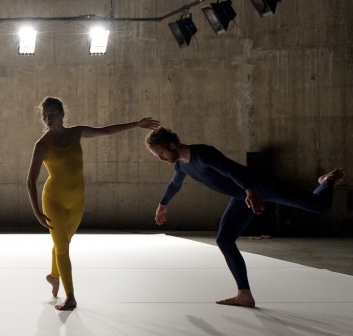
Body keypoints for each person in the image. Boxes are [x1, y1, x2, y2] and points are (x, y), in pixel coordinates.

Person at [145, 127, 344, 308]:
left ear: (171, 145)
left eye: (160, 153)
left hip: (259, 185)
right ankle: (244, 295)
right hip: (242, 195)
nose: (161, 158)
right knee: (224, 239)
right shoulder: (181, 165)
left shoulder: (203, 153)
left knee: (320, 206)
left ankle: (327, 181)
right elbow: (175, 184)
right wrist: (163, 204)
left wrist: (250, 190)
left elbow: (230, 171)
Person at [27, 97, 159, 311]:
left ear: (62, 114)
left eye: (52, 114)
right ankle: (70, 297)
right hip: (53, 201)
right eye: (44, 115)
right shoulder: (42, 145)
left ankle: (53, 276)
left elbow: (106, 131)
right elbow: (30, 180)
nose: (48, 118)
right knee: (62, 248)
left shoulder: (76, 132)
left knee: (64, 243)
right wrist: (37, 212)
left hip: (77, 199)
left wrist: (136, 124)